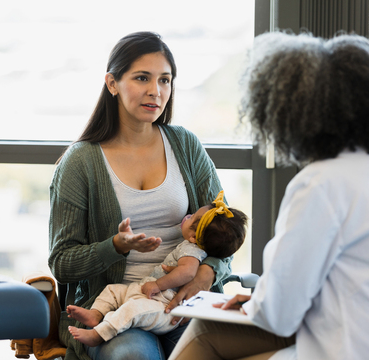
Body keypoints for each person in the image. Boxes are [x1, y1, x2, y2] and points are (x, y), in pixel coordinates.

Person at [169, 31, 369, 360]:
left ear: (285, 116)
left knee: (204, 331)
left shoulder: (319, 184)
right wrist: (261, 300)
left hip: (340, 347)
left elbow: (280, 315)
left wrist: (263, 301)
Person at [48, 31, 234, 360]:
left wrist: (206, 274)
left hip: (185, 305)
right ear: (112, 83)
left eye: (165, 80)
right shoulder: (81, 162)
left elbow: (226, 229)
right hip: (118, 312)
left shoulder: (186, 146)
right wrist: (114, 247)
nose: (155, 91)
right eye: (142, 78)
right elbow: (62, 262)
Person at [67, 191, 248, 347]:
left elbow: (188, 272)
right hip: (145, 293)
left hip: (163, 307)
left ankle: (99, 334)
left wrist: (158, 284)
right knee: (112, 291)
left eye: (192, 217)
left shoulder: (191, 250)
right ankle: (95, 314)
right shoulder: (192, 246)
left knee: (131, 310)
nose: (188, 215)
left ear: (193, 237)